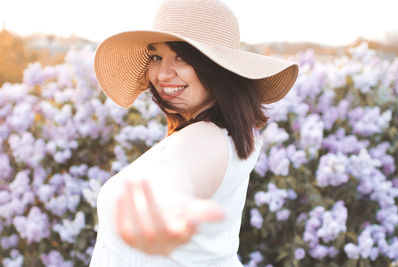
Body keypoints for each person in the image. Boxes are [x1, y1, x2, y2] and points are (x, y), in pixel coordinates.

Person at [89, 0, 298, 266]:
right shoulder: (223, 134)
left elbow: (179, 176)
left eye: (183, 57)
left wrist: (168, 206)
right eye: (156, 57)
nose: (163, 73)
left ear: (218, 68)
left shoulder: (208, 137)